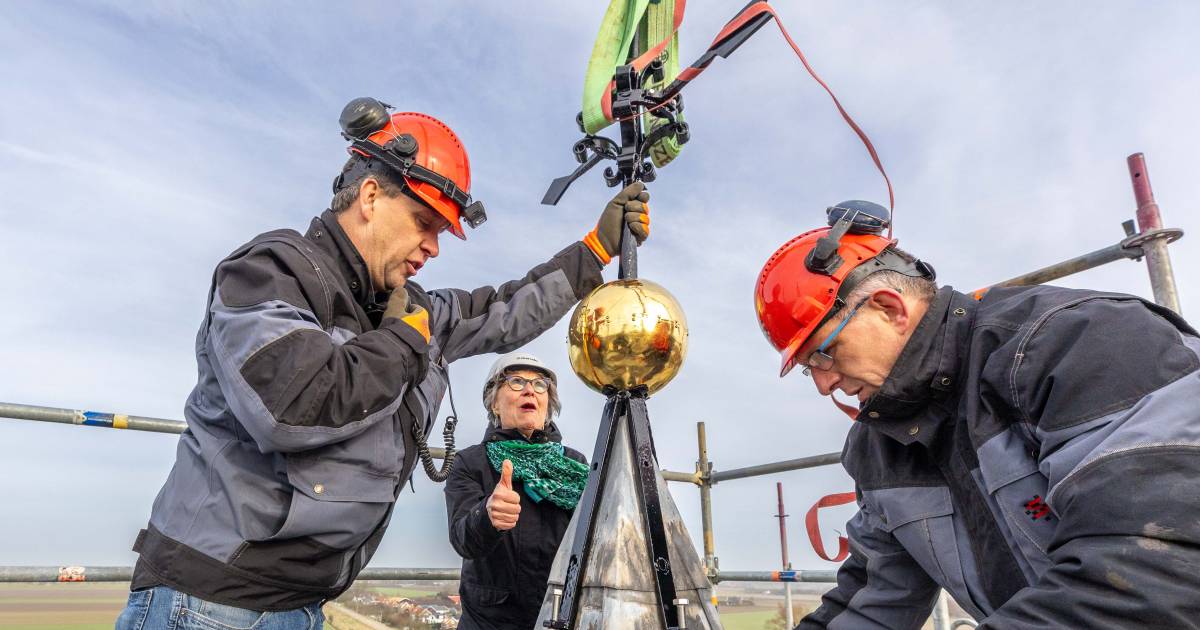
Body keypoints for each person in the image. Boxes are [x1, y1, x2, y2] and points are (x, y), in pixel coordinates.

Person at [116, 98, 650, 628]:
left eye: (441, 231)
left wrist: (595, 249)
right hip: (209, 604)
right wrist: (401, 343)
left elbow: (502, 310)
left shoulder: (411, 310)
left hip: (297, 606)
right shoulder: (274, 271)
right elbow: (291, 405)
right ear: (370, 195)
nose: (433, 247)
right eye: (424, 221)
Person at [754, 200, 1200, 629]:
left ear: (889, 309)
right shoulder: (880, 447)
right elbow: (871, 600)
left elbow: (1157, 571)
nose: (823, 383)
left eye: (825, 354)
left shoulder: (1078, 346)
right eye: (809, 367)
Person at [444, 352, 587, 629]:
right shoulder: (471, 462)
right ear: (494, 403)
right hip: (490, 621)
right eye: (517, 382)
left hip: (559, 615)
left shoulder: (576, 464)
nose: (530, 390)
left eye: (540, 384)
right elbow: (462, 540)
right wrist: (486, 516)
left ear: (547, 404)